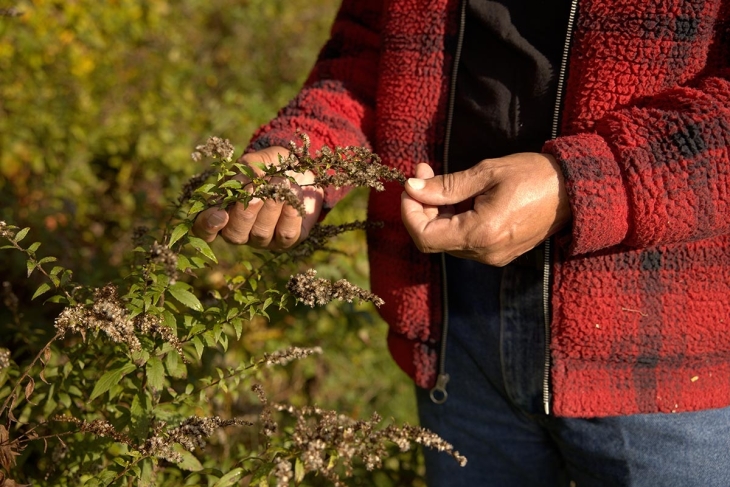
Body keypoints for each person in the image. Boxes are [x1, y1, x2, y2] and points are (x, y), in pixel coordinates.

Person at [194, 0, 730, 485]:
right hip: (452, 320)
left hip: (665, 344)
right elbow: (366, 51)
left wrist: (582, 185)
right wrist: (305, 149)